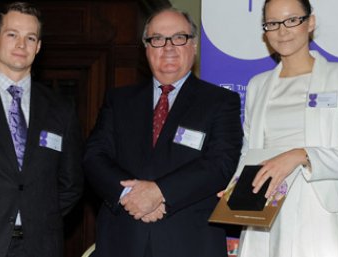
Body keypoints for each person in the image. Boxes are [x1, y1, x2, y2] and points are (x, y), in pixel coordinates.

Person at [83, 8, 243, 257]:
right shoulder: (119, 100)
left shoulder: (220, 102)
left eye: (179, 37)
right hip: (122, 240)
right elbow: (94, 156)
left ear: (194, 45)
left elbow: (221, 163)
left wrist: (160, 192)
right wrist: (129, 195)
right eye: (157, 39)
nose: (168, 47)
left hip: (190, 242)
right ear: (146, 48)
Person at [235, 0, 338, 256]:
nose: (282, 31)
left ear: (311, 22)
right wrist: (236, 188)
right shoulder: (257, 85)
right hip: (265, 206)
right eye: (273, 23)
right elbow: (248, 153)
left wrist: (301, 155)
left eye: (292, 20)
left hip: (320, 208)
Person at [0, 2, 83, 257]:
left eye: (30, 37)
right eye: (12, 34)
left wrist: (38, 214)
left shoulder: (60, 109)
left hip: (40, 246)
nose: (21, 45)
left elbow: (72, 183)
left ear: (39, 46)